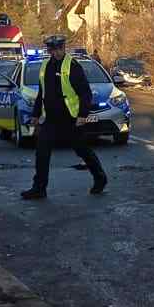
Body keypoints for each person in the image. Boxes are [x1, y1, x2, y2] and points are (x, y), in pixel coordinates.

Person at [21, 33, 107, 200]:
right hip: (51, 119)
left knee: (82, 150)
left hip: (70, 118)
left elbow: (85, 92)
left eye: (59, 49)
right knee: (42, 153)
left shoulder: (72, 65)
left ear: (63, 48)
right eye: (53, 50)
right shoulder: (45, 66)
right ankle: (39, 188)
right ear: (49, 50)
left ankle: (100, 178)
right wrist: (36, 114)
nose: (56, 52)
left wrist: (83, 114)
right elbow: (42, 93)